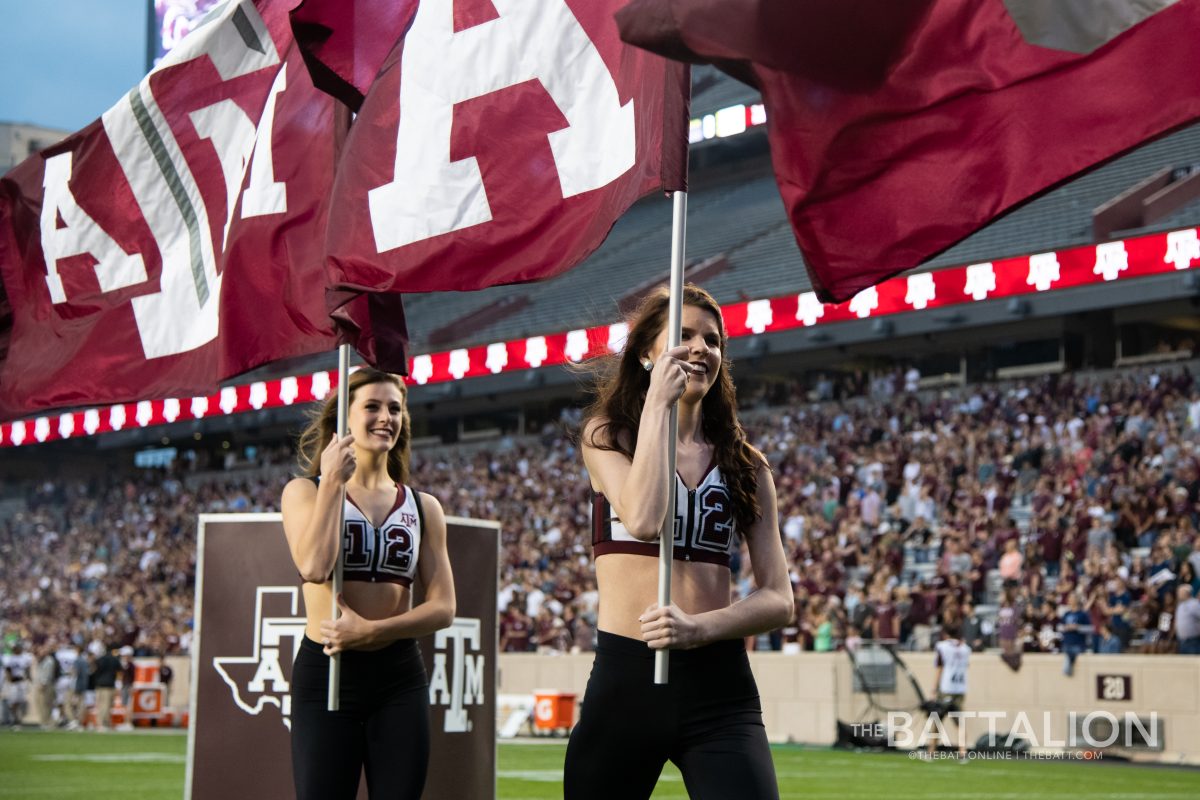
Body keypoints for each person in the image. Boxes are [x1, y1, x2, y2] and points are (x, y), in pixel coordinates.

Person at [563, 285, 793, 799]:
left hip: (719, 685)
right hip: (627, 681)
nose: (700, 348)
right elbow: (643, 519)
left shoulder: (747, 465)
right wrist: (658, 408)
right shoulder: (607, 437)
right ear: (647, 353)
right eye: (683, 335)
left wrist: (699, 628)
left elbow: (780, 599)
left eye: (713, 340)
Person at [281, 367, 455, 800]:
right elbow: (315, 567)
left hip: (399, 676)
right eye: (372, 407)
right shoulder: (303, 491)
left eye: (395, 408)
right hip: (328, 670)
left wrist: (376, 631)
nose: (386, 417)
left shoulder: (423, 505)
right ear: (344, 418)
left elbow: (444, 607)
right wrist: (332, 484)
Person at [926, 624, 970, 759]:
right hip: (960, 687)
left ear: (946, 634)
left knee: (937, 719)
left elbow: (939, 668)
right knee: (959, 722)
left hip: (946, 687)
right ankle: (963, 750)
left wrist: (934, 688)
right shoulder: (966, 649)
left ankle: (931, 750)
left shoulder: (942, 647)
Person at [91, 643, 121, 730]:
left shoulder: (99, 659)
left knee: (100, 705)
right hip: (109, 685)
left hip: (99, 685)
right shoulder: (114, 660)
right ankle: (102, 724)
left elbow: (94, 671)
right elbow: (119, 672)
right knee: (107, 705)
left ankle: (103, 723)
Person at [1176, 585, 1200, 655]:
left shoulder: (1194, 604)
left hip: (1193, 641)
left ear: (1186, 593)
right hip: (1182, 641)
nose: (1178, 594)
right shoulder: (1180, 605)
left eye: (1180, 592)